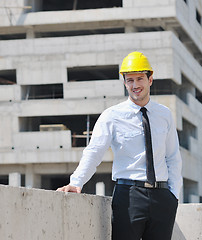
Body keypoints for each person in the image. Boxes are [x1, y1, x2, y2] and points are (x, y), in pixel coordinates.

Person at [57, 51, 183, 240]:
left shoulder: (164, 114)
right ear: (124, 82)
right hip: (129, 196)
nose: (135, 85)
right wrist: (76, 182)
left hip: (162, 197)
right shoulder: (112, 116)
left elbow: (172, 157)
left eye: (140, 79)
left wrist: (173, 195)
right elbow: (94, 151)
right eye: (129, 80)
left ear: (150, 79)